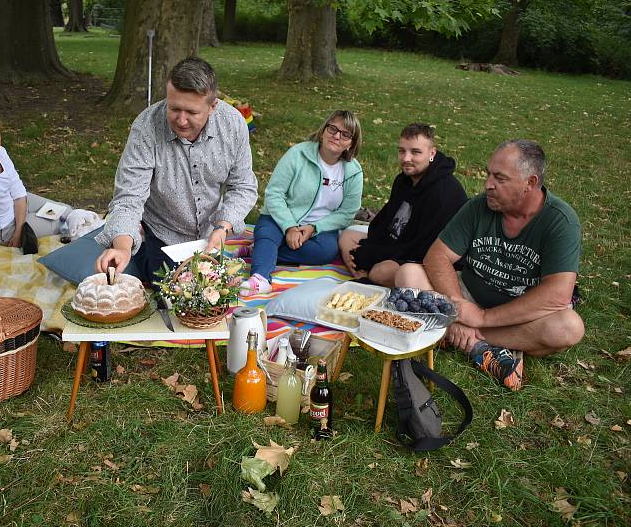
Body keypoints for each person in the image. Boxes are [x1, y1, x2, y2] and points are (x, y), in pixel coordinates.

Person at [395, 140, 584, 391]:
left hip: (516, 314)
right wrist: (457, 305)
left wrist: (482, 318)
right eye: (488, 174)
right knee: (407, 274)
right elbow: (437, 257)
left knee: (568, 328)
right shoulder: (479, 206)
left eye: (500, 178)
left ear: (530, 183)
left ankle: (455, 335)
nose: (488, 185)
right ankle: (478, 345)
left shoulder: (560, 221)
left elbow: (558, 294)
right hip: (467, 296)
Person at [95, 57, 257, 284]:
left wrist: (223, 227)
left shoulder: (234, 124)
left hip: (212, 234)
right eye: (174, 109)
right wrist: (122, 248)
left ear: (213, 106)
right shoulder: (146, 127)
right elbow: (129, 197)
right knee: (174, 291)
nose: (181, 120)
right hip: (163, 231)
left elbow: (243, 186)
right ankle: (136, 243)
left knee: (213, 292)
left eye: (191, 112)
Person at [240, 110, 363, 296]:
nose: (337, 136)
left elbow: (347, 213)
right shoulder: (298, 154)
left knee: (327, 251)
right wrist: (289, 227)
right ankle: (261, 278)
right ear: (323, 131)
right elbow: (274, 194)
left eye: (345, 134)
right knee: (268, 230)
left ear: (351, 143)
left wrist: (314, 228)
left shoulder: (353, 172)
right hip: (281, 217)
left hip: (318, 228)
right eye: (333, 129)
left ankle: (262, 249)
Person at [338, 123, 467, 287]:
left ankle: (366, 273)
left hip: (426, 257)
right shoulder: (403, 181)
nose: (406, 158)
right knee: (347, 236)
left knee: (380, 272)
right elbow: (385, 223)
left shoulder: (443, 192)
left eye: (415, 152)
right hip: (399, 243)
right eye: (402, 151)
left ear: (431, 153)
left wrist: (373, 254)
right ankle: (361, 271)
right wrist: (370, 249)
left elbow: (423, 248)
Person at [0, 109, 84, 255]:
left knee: (66, 210)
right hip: (1, 229)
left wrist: (20, 230)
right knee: (65, 219)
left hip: (17, 207)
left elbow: (18, 190)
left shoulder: (1, 152)